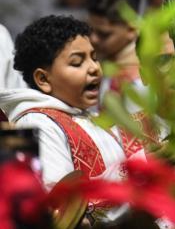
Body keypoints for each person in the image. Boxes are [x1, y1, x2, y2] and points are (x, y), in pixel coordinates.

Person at [0, 15, 144, 225]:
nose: (94, 67)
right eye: (77, 62)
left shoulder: (89, 118)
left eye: (94, 57)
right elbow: (61, 209)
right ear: (43, 79)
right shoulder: (37, 122)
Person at [87, 0, 143, 101]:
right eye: (90, 29)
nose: (93, 39)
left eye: (104, 34)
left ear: (131, 29)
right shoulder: (105, 63)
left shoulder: (140, 82)